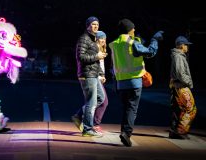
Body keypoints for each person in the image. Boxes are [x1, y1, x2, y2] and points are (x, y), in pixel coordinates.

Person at [108, 18, 164, 147]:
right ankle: (126, 133)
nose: (134, 30)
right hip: (134, 81)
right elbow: (150, 52)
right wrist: (155, 40)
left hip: (120, 82)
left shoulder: (115, 44)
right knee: (132, 108)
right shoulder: (132, 42)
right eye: (133, 28)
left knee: (126, 108)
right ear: (129, 29)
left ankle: (124, 132)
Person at [74, 16, 107, 137]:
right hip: (87, 75)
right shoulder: (84, 39)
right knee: (91, 102)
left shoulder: (92, 39)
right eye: (93, 24)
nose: (96, 26)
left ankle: (79, 116)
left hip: (93, 74)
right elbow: (80, 57)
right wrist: (97, 56)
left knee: (100, 98)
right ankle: (87, 129)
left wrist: (100, 73)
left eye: (97, 24)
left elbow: (94, 60)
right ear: (88, 25)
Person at [169, 36, 196, 139]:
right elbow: (180, 73)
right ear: (181, 45)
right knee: (190, 109)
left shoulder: (178, 55)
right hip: (181, 86)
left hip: (178, 85)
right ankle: (180, 131)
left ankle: (175, 131)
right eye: (186, 45)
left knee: (180, 109)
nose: (187, 47)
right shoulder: (179, 56)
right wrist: (189, 82)